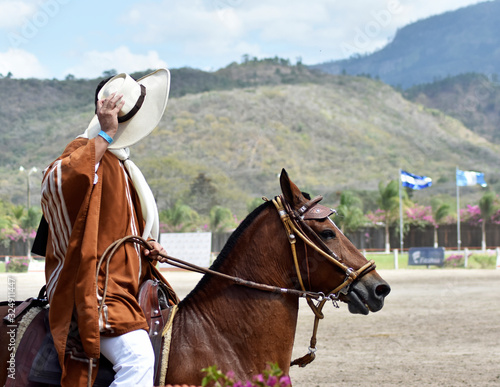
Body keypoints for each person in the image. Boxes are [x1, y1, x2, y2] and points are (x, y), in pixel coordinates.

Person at [40, 69, 173, 386]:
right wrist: (106, 133)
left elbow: (121, 231)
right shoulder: (86, 151)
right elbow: (54, 183)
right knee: (138, 359)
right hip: (99, 291)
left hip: (126, 290)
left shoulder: (123, 165)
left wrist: (146, 246)